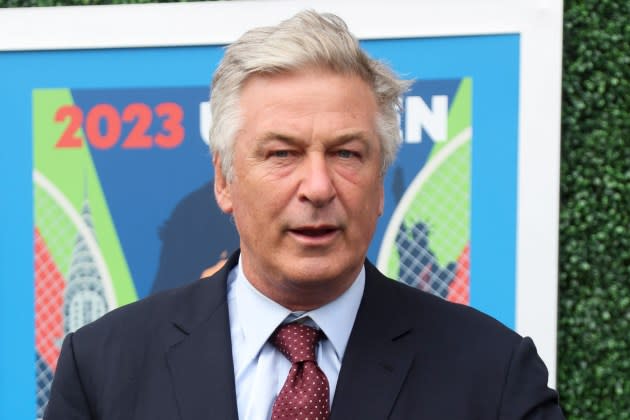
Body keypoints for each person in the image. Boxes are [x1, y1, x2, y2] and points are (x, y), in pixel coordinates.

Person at [45, 10, 565, 420]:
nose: (317, 187)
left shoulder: (493, 374)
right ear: (224, 180)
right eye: (281, 154)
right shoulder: (103, 366)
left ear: (380, 182)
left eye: (346, 154)